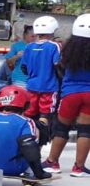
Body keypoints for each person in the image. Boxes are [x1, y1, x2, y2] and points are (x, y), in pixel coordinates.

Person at [42, 13, 90, 175]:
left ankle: (52, 162)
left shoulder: (68, 50)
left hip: (70, 94)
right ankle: (79, 167)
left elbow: (59, 68)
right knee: (85, 131)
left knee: (62, 128)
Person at [19, 15, 62, 144]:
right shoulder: (55, 46)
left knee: (28, 114)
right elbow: (58, 65)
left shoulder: (28, 47)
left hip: (31, 86)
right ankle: (40, 142)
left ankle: (25, 137)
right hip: (49, 87)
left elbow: (24, 68)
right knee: (45, 115)